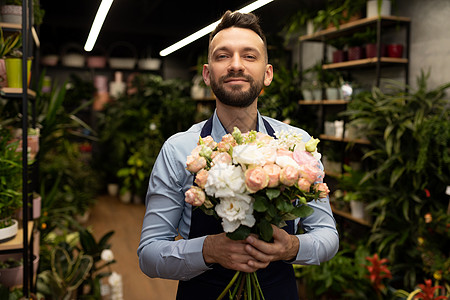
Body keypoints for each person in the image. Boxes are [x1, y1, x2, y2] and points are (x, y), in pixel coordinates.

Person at [138, 10, 339, 300]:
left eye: (249, 56)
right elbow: (149, 253)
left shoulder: (297, 146)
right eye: (222, 56)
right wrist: (207, 250)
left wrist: (291, 247)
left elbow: (327, 236)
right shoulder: (179, 150)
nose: (235, 65)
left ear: (267, 74)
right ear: (207, 75)